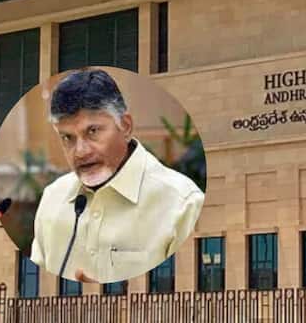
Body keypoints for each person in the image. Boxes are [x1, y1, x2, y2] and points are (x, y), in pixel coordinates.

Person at [30, 68, 204, 283]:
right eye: (67, 138)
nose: (80, 151)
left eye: (92, 131)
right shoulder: (52, 198)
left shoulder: (182, 204)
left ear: (126, 126)